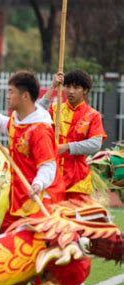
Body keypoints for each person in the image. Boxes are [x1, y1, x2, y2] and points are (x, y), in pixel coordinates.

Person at [0, 71, 65, 285]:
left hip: (37, 196)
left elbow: (49, 164)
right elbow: (5, 124)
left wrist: (38, 184)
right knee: (7, 242)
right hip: (17, 196)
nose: (7, 96)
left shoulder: (40, 129)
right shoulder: (19, 119)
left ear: (24, 96)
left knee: (37, 247)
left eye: (11, 92)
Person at [38, 70, 106, 201]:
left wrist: (67, 147)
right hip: (53, 175)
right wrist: (52, 87)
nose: (70, 91)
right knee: (51, 219)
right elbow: (35, 116)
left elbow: (95, 144)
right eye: (67, 86)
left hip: (78, 179)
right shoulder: (55, 109)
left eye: (76, 87)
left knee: (75, 220)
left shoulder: (93, 115)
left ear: (85, 90)